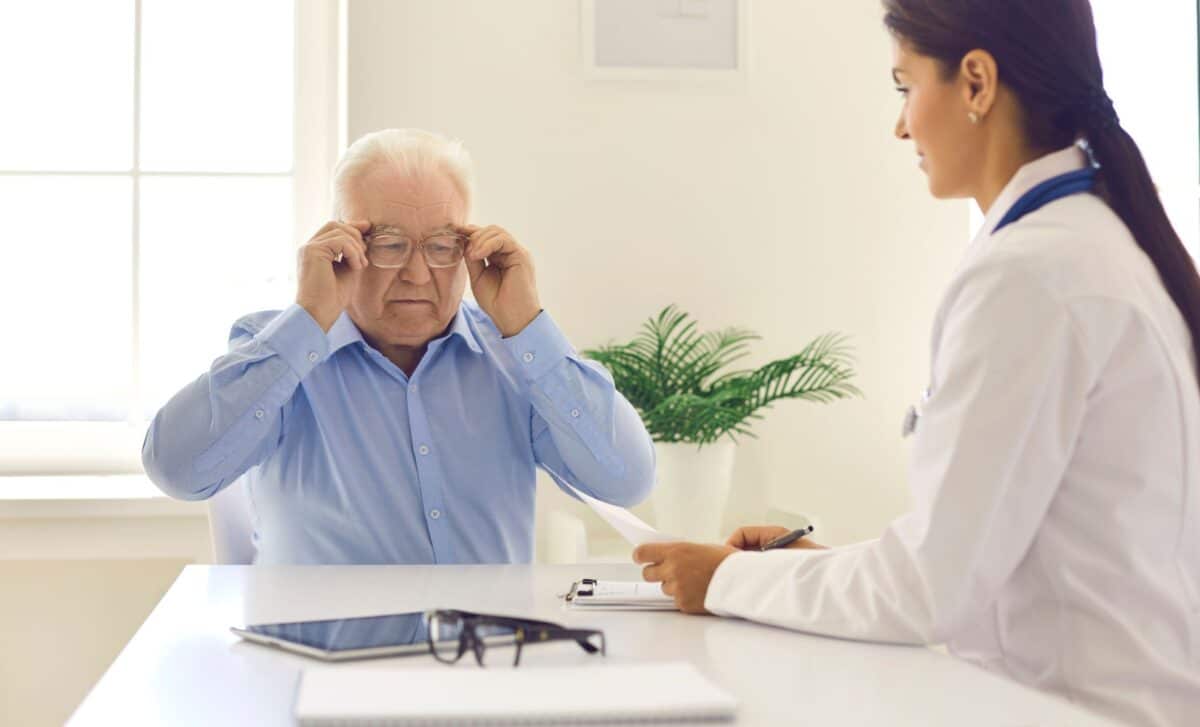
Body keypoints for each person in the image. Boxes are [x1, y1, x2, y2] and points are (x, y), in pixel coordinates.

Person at [634, 2, 1200, 724]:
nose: (900, 124)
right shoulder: (1097, 244)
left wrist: (729, 579)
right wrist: (809, 568)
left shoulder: (1032, 275)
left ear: (975, 83)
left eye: (904, 86)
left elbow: (928, 589)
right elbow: (986, 559)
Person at [143, 128, 655, 564]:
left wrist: (527, 326)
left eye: (441, 245)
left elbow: (625, 481)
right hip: (325, 670)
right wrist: (307, 320)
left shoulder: (515, 355)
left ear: (469, 247)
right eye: (387, 244)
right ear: (341, 244)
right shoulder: (277, 350)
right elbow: (176, 470)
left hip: (486, 666)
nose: (416, 273)